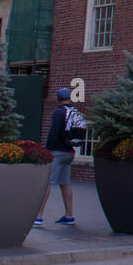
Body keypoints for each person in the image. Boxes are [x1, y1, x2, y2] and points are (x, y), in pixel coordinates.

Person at [41, 87, 83, 225]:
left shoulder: (58, 113)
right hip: (69, 152)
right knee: (65, 183)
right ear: (70, 98)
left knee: (47, 183)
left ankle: (38, 216)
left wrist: (47, 150)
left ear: (58, 98)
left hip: (57, 152)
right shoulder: (75, 112)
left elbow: (54, 133)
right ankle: (69, 215)